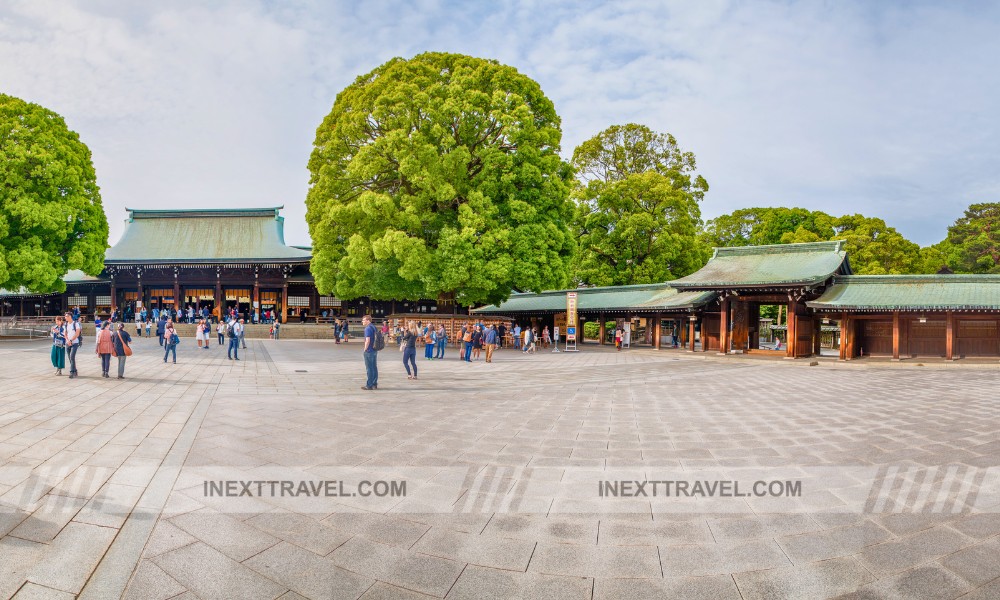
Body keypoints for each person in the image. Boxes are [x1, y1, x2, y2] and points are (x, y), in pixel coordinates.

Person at [362, 314, 378, 390]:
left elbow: (367, 340)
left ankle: (369, 385)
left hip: (369, 350)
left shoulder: (367, 328)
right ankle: (375, 383)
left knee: (369, 368)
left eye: (363, 320)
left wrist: (365, 349)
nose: (362, 321)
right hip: (375, 349)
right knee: (374, 367)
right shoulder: (374, 327)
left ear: (368, 320)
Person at [65, 311, 82, 378]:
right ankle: (75, 370)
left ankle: (71, 372)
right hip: (67, 343)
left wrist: (71, 340)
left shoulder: (76, 324)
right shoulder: (66, 324)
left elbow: (77, 333)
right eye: (65, 316)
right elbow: (65, 334)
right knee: (70, 358)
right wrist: (67, 340)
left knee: (72, 356)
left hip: (74, 342)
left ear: (70, 317)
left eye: (66, 316)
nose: (65, 317)